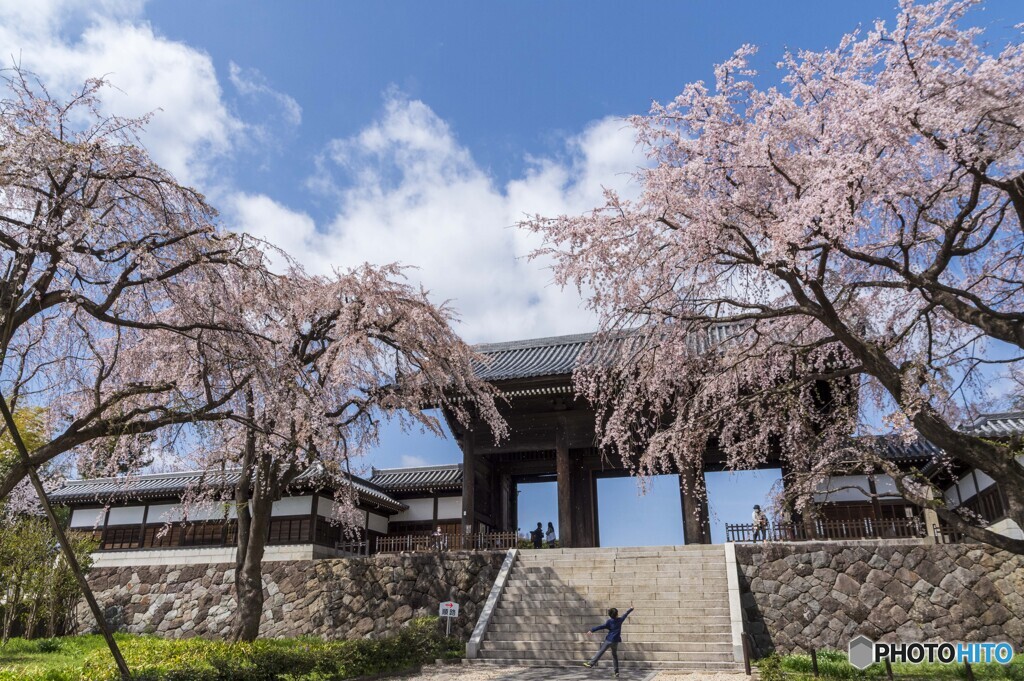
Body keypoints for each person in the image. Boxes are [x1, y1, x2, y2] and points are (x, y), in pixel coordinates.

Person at [583, 604, 634, 676]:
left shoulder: (609, 622)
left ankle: (591, 664)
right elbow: (625, 614)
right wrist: (631, 609)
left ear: (610, 615)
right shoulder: (620, 620)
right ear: (617, 614)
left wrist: (592, 630)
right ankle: (616, 672)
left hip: (609, 640)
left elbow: (601, 626)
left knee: (601, 651)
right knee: (614, 655)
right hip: (615, 641)